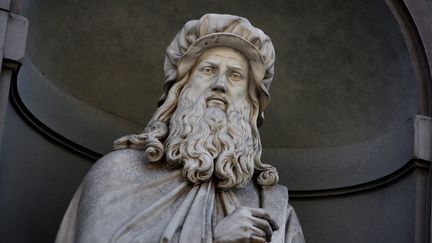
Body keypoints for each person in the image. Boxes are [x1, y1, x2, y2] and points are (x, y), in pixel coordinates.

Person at [55, 13, 305, 243]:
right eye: (208, 70)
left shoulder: (273, 209)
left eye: (235, 75)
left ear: (250, 103)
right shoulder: (118, 174)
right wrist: (214, 239)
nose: (220, 84)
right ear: (180, 90)